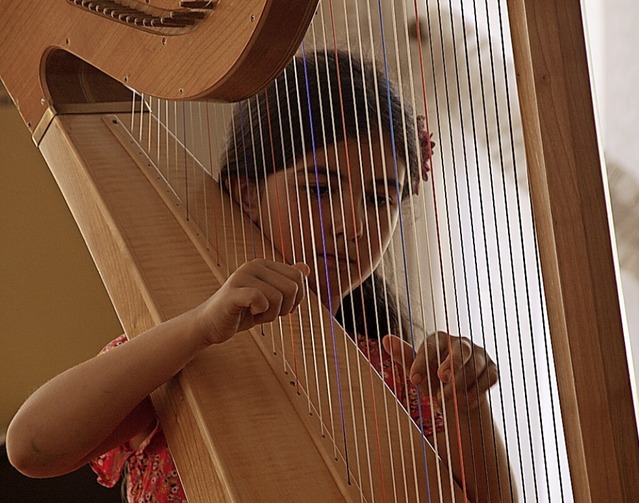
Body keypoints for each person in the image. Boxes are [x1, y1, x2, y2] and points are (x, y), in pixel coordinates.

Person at [6, 50, 513, 502]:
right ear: (247, 194)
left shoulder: (398, 371)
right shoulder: (185, 351)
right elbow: (31, 445)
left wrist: (468, 409)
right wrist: (200, 327)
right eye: (319, 188)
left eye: (380, 197)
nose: (353, 223)